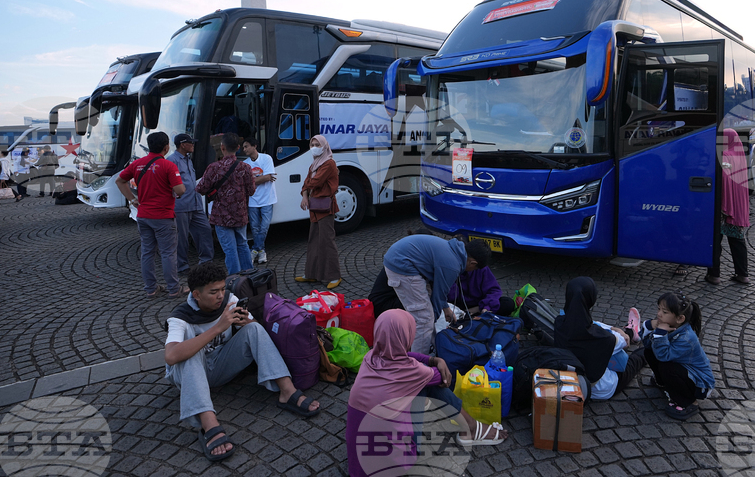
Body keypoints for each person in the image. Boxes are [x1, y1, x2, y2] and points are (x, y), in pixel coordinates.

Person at [165, 261, 321, 462]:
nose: (221, 296)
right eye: (214, 292)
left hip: (220, 366)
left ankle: (287, 392)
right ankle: (208, 425)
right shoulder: (180, 317)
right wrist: (218, 328)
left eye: (222, 289)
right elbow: (171, 356)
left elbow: (256, 329)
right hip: (190, 375)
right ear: (196, 295)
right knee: (189, 351)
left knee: (254, 329)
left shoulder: (230, 299)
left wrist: (247, 322)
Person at [347, 309, 505, 477]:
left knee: (420, 384)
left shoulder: (370, 357)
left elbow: (407, 356)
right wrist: (439, 361)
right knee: (428, 385)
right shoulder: (413, 372)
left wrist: (432, 359)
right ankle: (471, 427)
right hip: (395, 466)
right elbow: (445, 379)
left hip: (359, 465)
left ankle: (470, 428)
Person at [115, 131, 188, 298]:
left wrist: (132, 199)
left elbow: (119, 180)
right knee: (168, 252)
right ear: (166, 147)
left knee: (147, 252)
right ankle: (174, 289)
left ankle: (151, 288)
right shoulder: (169, 165)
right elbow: (180, 190)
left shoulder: (137, 164)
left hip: (143, 215)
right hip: (163, 216)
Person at [378, 233, 477, 353]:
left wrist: (445, 309)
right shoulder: (453, 265)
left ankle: (434, 349)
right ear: (473, 263)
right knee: (424, 319)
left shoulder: (455, 251)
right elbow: (438, 295)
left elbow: (438, 293)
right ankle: (419, 364)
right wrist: (432, 320)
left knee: (426, 318)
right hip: (403, 266)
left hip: (401, 260)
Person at [554, 277, 646, 401]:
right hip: (602, 388)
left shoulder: (559, 323)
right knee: (636, 359)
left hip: (571, 383)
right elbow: (624, 342)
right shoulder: (603, 338)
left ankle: (631, 331)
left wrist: (612, 328)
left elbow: (588, 324)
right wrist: (617, 330)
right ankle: (642, 337)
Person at [639, 292, 715, 420]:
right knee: (649, 351)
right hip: (683, 368)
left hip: (699, 383)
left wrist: (659, 333)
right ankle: (663, 383)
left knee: (667, 367)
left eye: (665, 312)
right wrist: (649, 326)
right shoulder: (668, 325)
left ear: (680, 319)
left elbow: (663, 355)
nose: (659, 314)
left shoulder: (687, 338)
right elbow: (648, 345)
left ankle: (688, 402)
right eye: (659, 309)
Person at [197, 133, 256, 275]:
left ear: (222, 147)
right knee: (242, 244)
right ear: (238, 148)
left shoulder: (213, 167)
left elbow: (200, 189)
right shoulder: (246, 168)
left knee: (229, 249)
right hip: (240, 214)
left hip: (221, 216)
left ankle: (234, 278)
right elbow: (251, 191)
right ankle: (250, 275)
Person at [705, 130, 751, 284]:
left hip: (722, 206)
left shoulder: (723, 156)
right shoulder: (740, 157)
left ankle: (714, 275)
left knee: (715, 240)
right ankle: (742, 274)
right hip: (738, 207)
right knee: (738, 240)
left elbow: (721, 178)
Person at [297, 135, 341, 289]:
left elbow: (315, 181)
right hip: (315, 208)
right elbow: (306, 185)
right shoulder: (314, 164)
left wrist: (308, 186)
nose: (314, 147)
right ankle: (312, 274)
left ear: (324, 146)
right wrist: (305, 195)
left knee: (327, 241)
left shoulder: (329, 163)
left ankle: (334, 275)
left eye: (317, 144)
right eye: (312, 144)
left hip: (325, 208)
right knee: (314, 241)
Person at [167, 133, 214, 274]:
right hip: (181, 206)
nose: (193, 145)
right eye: (190, 143)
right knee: (181, 238)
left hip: (196, 203)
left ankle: (206, 261)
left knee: (205, 231)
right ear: (182, 144)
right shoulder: (172, 160)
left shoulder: (188, 159)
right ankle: (182, 266)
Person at [445, 244, 515, 317]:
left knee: (507, 303)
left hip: (478, 305)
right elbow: (448, 295)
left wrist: (486, 307)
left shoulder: (481, 268)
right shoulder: (451, 266)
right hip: (454, 305)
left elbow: (494, 290)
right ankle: (464, 314)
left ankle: (469, 313)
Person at [242, 137, 276, 265]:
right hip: (252, 200)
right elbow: (266, 177)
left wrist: (257, 179)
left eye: (246, 146)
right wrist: (263, 178)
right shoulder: (245, 164)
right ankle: (261, 251)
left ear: (254, 146)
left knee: (264, 226)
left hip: (267, 198)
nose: (244, 149)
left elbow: (268, 177)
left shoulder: (266, 158)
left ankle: (255, 250)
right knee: (255, 227)